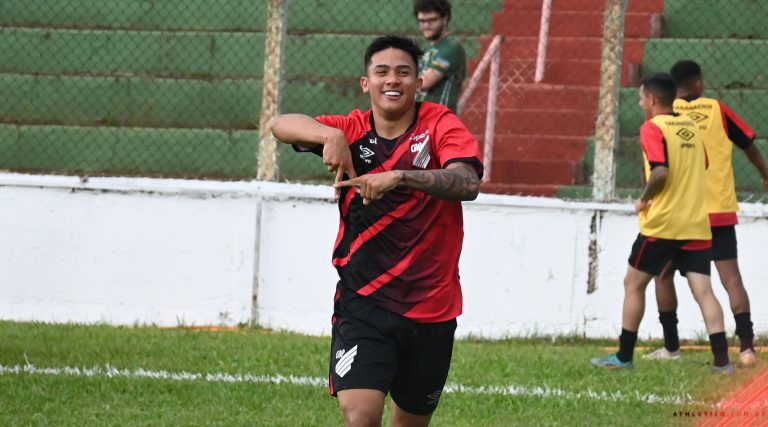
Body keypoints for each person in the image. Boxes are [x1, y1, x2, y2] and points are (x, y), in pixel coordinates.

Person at [269, 35, 483, 427]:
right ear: (365, 82)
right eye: (381, 71)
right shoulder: (350, 129)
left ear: (419, 83)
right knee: (361, 417)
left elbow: (467, 183)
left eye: (404, 72)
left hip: (431, 305)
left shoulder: (440, 123)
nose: (392, 80)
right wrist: (328, 136)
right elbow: (280, 124)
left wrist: (400, 177)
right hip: (363, 302)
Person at [591, 73, 732, 375]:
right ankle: (722, 362)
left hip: (663, 224)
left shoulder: (652, 128)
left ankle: (624, 356)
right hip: (696, 222)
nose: (641, 102)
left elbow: (660, 172)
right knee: (704, 291)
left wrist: (643, 199)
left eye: (641, 97)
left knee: (633, 283)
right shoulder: (691, 127)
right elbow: (703, 164)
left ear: (652, 100)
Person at [644, 60, 768, 367]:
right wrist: (765, 174)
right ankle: (747, 348)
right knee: (731, 279)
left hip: (681, 211)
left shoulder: (665, 119)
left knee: (663, 275)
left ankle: (671, 348)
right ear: (698, 84)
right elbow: (749, 145)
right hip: (719, 209)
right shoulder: (717, 110)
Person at [413, 0, 466, 113]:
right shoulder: (432, 49)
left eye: (432, 20)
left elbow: (424, 83)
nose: (426, 25)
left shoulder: (451, 47)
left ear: (445, 19)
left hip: (439, 118)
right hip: (422, 117)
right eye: (422, 21)